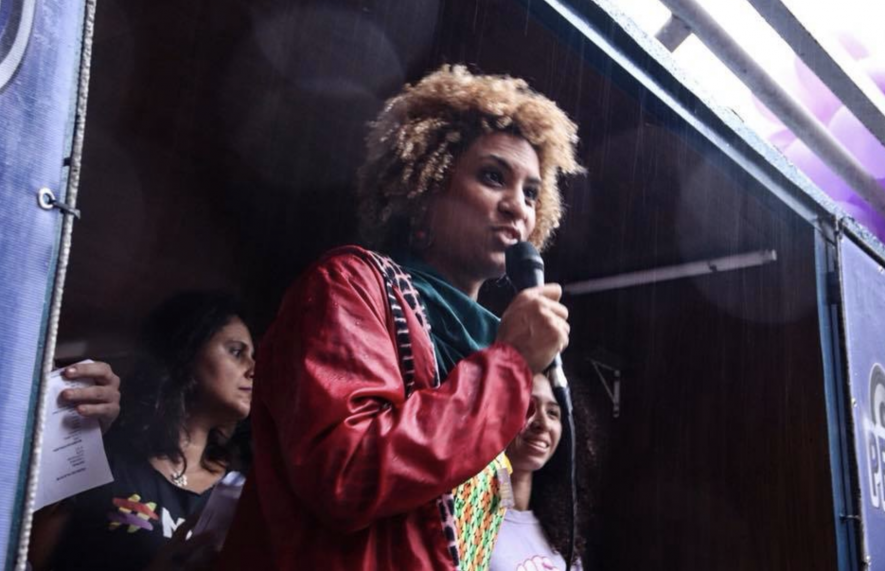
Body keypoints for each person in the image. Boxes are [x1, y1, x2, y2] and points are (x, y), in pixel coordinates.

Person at [220, 64, 584, 570]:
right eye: (493, 177)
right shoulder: (349, 285)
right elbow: (345, 475)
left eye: (530, 193)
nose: (517, 208)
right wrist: (510, 365)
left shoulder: (492, 358)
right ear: (424, 189)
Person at [29, 291, 255, 571]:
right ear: (185, 351)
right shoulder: (101, 452)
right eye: (236, 352)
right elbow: (26, 559)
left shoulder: (240, 496)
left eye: (253, 356)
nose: (253, 369)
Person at [489, 371, 588, 571]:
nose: (543, 423)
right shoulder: (468, 522)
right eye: (528, 407)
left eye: (552, 412)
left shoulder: (561, 536)